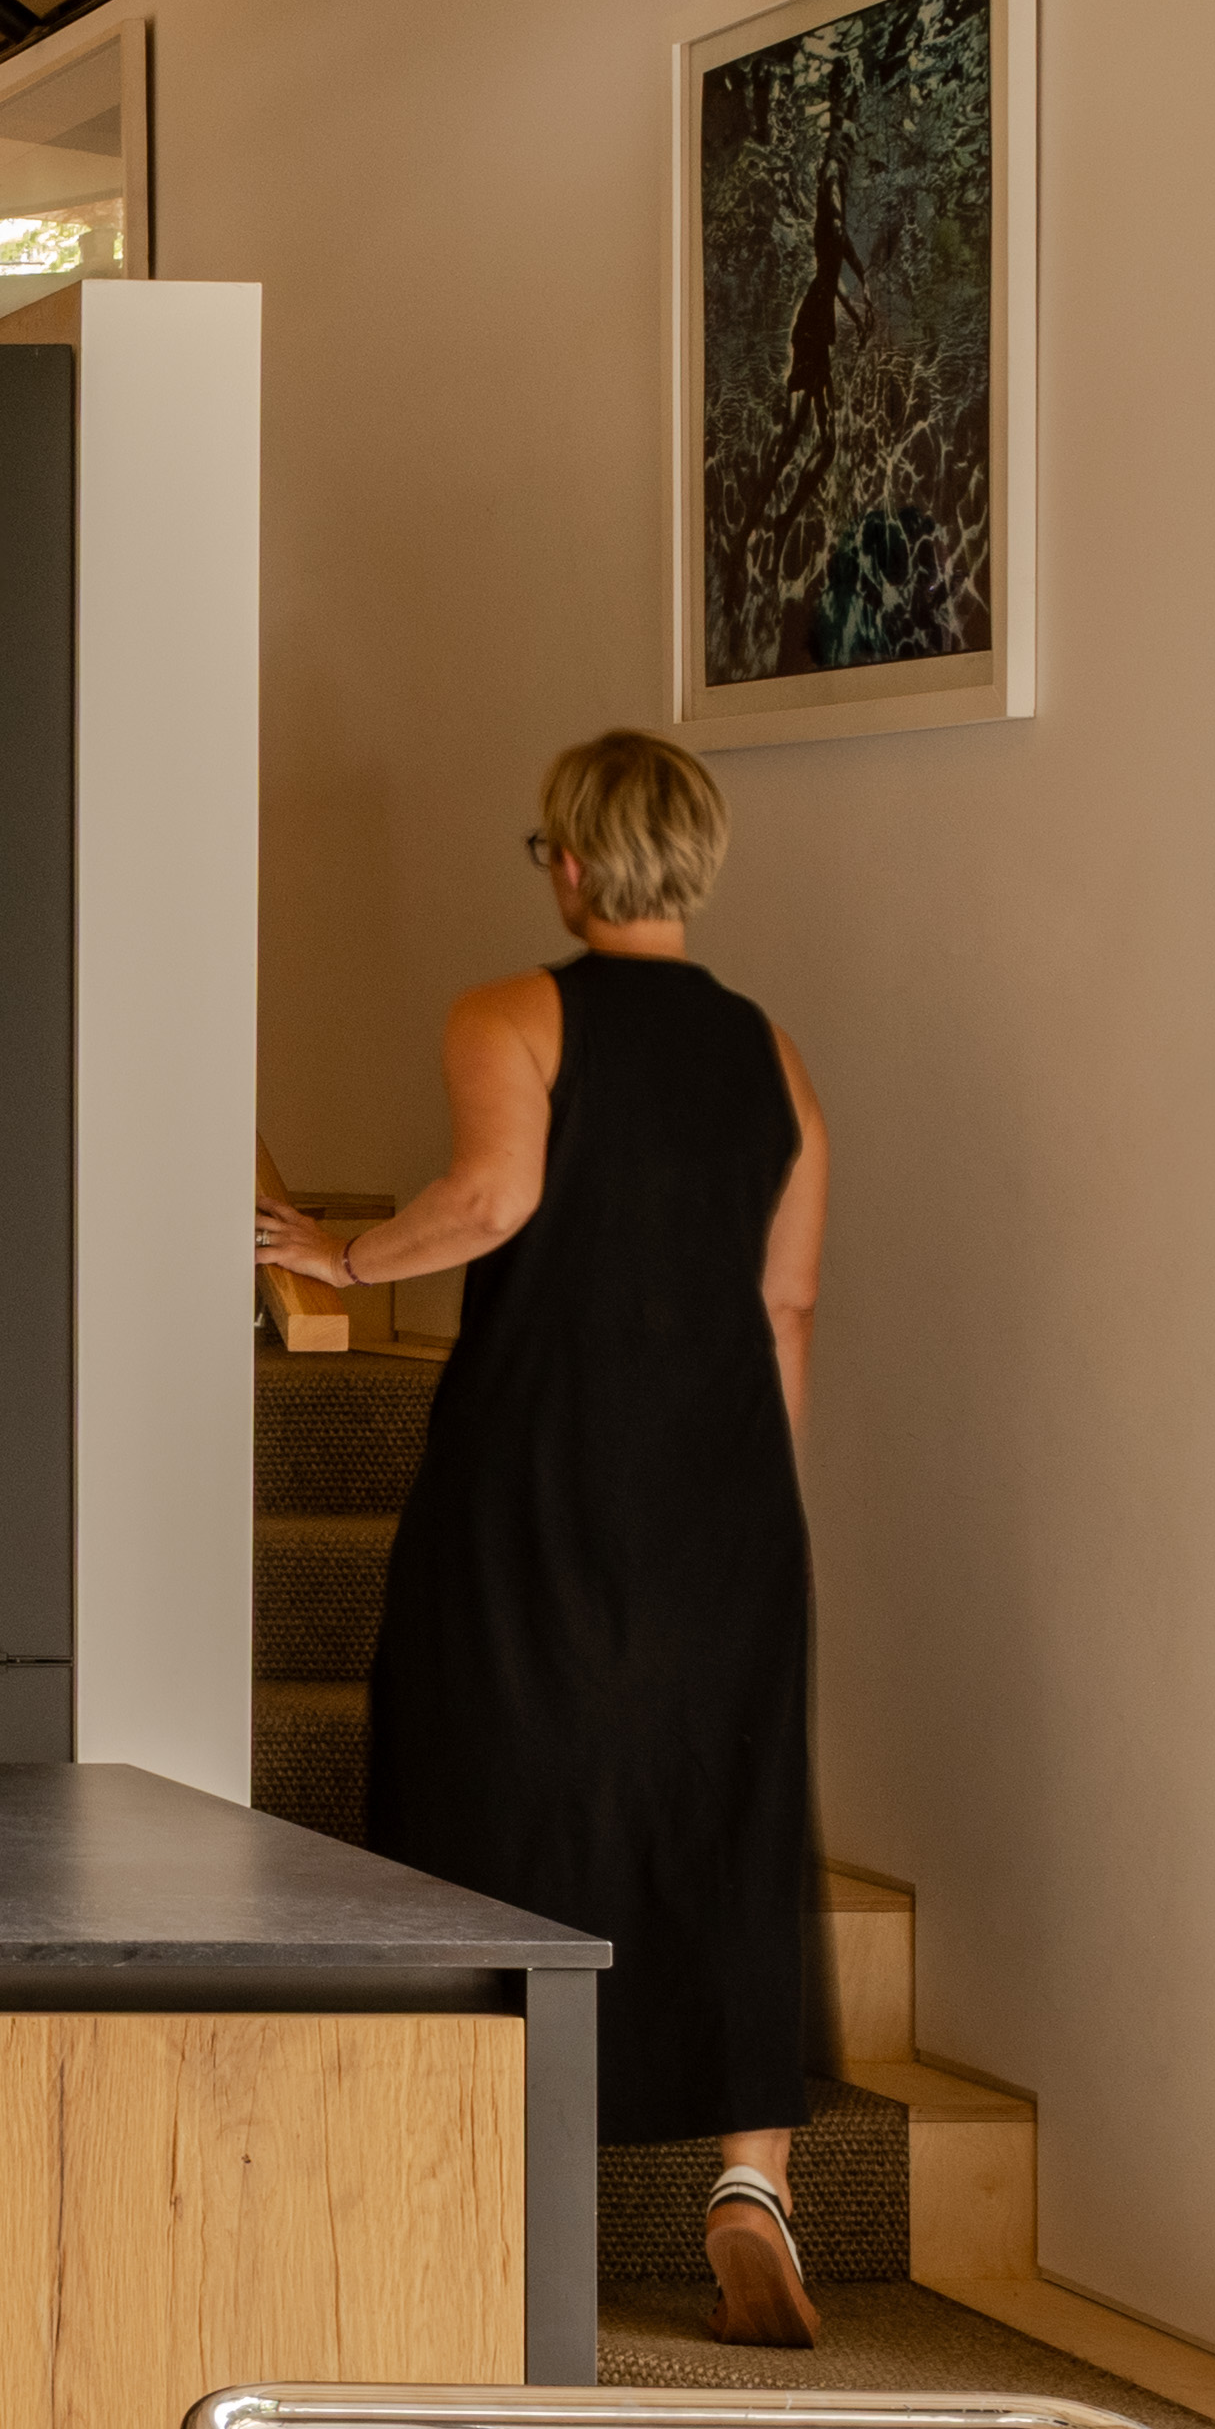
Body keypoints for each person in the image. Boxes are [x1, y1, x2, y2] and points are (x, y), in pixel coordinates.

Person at [257, 729, 843, 2346]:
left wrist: (346, 1252)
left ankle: (485, 2171)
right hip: (725, 1495)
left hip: (537, 1467)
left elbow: (492, 1198)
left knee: (489, 1767)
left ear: (569, 862)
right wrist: (752, 1511)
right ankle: (749, 2183)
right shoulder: (773, 1055)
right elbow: (785, 1302)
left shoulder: (510, 1014)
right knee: (718, 1804)